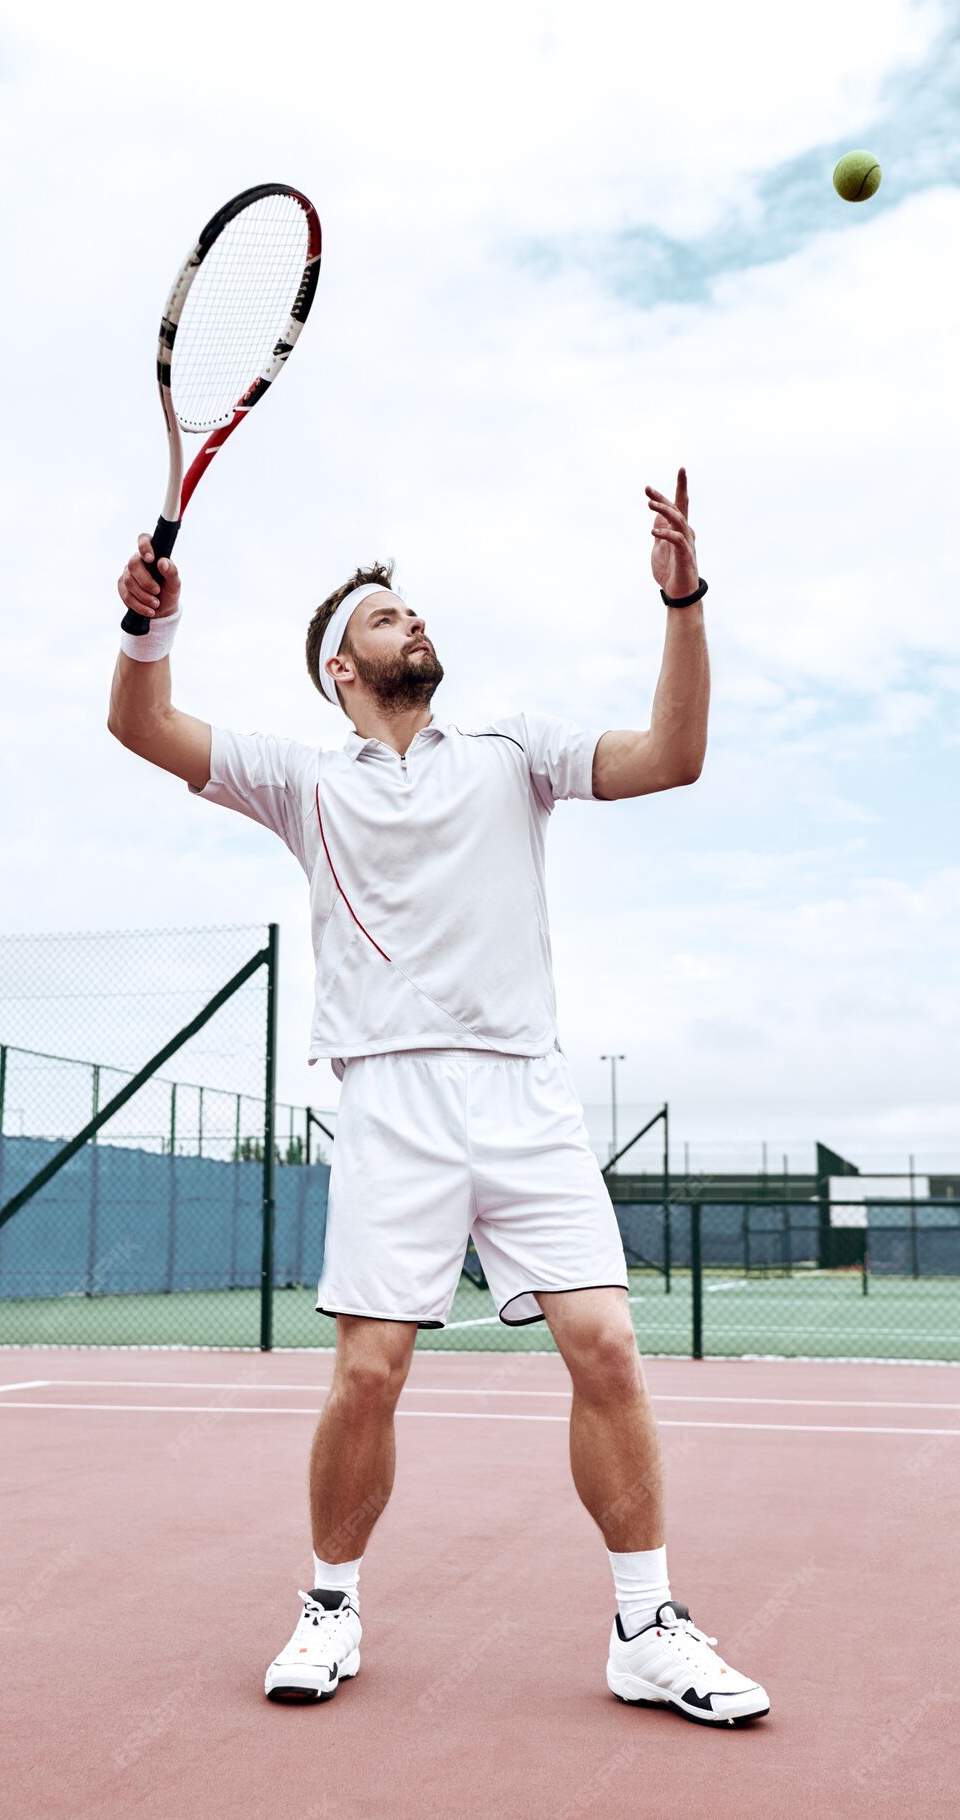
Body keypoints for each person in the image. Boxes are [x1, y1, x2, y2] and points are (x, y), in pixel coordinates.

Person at [108, 470, 769, 1726]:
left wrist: (682, 599)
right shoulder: (305, 781)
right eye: (382, 617)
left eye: (412, 610)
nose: (411, 623)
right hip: (391, 1103)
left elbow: (674, 756)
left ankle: (646, 1624)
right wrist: (149, 629)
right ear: (340, 670)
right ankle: (330, 1603)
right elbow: (144, 728)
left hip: (526, 1091)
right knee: (370, 1370)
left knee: (609, 1344)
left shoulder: (513, 753)